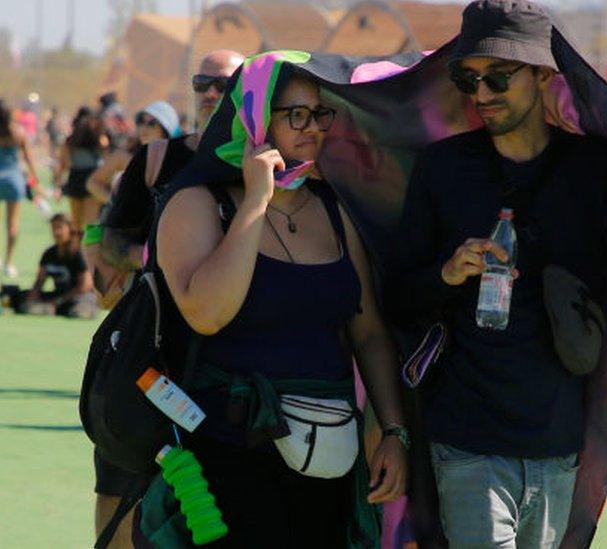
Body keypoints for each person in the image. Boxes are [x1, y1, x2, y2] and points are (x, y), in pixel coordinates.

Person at [385, 1, 607, 544]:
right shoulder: (444, 168)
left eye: (497, 77)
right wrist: (447, 273)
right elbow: (396, 298)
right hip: (466, 436)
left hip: (557, 443)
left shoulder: (590, 170)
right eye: (468, 80)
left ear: (543, 75)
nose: (482, 95)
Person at [155, 62, 407, 547]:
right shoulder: (197, 203)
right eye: (296, 114)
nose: (313, 128)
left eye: (321, 114)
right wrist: (255, 200)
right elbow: (207, 314)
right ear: (255, 119)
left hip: (328, 453)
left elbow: (369, 332)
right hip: (228, 455)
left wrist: (395, 431)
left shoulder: (335, 209)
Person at [88, 51, 243, 548]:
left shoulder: (262, 166)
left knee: (212, 500)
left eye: (225, 82)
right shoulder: (159, 158)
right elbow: (110, 237)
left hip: (226, 356)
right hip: (147, 348)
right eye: (203, 82)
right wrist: (153, 256)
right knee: (121, 479)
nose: (211, 92)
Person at [86, 101, 181, 205]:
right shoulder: (124, 156)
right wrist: (117, 203)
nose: (144, 127)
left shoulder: (177, 163)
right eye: (141, 121)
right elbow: (92, 183)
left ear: (165, 129)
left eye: (152, 123)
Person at [2, 213, 96, 317]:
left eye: (59, 228)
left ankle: (53, 309)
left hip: (80, 298)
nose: (56, 232)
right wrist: (33, 295)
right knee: (22, 296)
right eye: (53, 228)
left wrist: (59, 300)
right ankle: (48, 308)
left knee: (79, 311)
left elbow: (85, 285)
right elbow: (39, 282)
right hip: (57, 296)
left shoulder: (78, 253)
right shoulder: (49, 254)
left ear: (70, 229)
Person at [0, 100, 41, 279]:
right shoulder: (18, 132)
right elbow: (29, 158)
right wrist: (35, 179)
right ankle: (8, 262)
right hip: (14, 179)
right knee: (13, 224)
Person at [55, 107, 106, 230]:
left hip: (75, 178)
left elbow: (63, 164)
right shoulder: (100, 140)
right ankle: (92, 247)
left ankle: (79, 247)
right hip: (94, 178)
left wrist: (58, 185)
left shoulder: (70, 141)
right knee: (92, 222)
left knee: (77, 223)